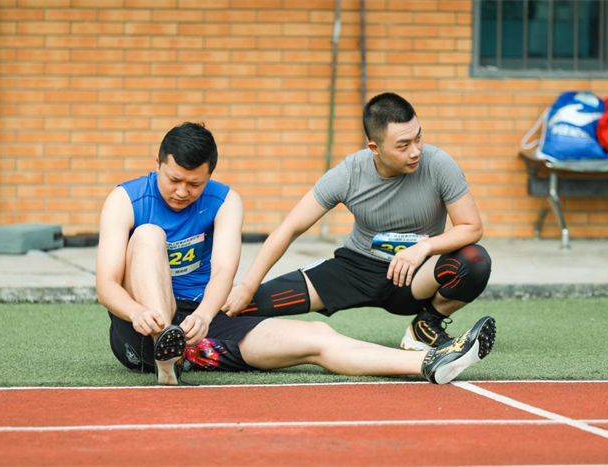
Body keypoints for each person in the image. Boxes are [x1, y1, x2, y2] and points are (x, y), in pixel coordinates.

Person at [95, 121, 497, 386]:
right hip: (142, 330)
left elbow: (223, 273)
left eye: (195, 184)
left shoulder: (225, 201)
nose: (183, 191)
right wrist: (137, 313)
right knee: (148, 235)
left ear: (210, 175)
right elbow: (107, 284)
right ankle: (166, 359)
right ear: (157, 163)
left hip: (200, 326)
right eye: (174, 180)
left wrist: (203, 315)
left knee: (318, 337)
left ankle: (431, 362)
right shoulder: (126, 199)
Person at [222, 93, 492, 351]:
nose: (415, 151)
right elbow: (290, 228)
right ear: (375, 147)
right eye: (403, 145)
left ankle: (426, 324)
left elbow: (471, 227)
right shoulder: (349, 173)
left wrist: (425, 248)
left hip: (414, 274)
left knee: (475, 261)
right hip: (355, 270)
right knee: (244, 306)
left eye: (418, 138)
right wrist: (247, 286)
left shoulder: (439, 164)